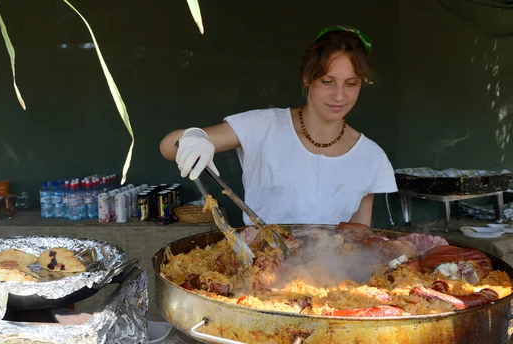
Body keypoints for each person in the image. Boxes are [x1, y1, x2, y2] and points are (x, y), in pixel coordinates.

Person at [160, 26, 397, 227]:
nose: (339, 95)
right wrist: (194, 138)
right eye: (327, 81)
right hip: (261, 271)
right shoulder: (263, 127)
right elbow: (168, 147)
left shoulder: (370, 157)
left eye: (351, 84)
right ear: (307, 78)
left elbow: (357, 235)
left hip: (333, 278)